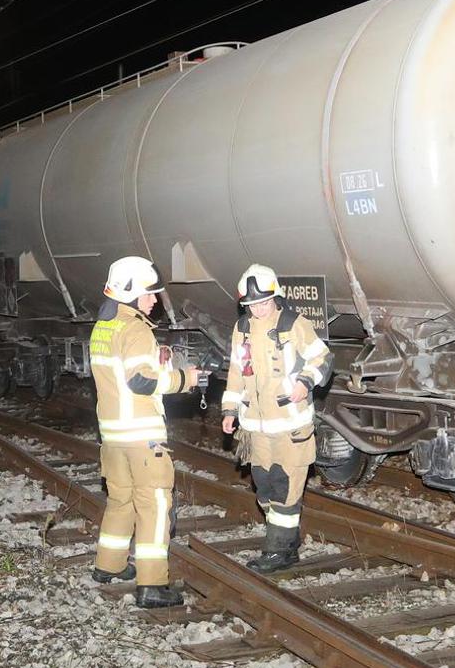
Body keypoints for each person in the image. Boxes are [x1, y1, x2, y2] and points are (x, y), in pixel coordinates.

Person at [89, 256, 199, 609]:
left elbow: (121, 374)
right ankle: (152, 585)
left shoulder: (103, 327)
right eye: (149, 293)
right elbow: (140, 381)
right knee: (154, 506)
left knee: (120, 500)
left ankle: (108, 565)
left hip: (112, 435)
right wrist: (184, 379)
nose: (154, 300)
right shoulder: (136, 330)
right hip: (140, 435)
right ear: (131, 293)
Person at [220, 265, 332, 573]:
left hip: (290, 426)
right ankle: (288, 542)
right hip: (256, 429)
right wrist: (229, 410)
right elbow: (236, 372)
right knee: (265, 488)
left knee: (285, 487)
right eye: (252, 304)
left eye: (264, 302)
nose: (258, 309)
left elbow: (322, 358)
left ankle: (277, 551)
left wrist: (305, 382)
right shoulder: (242, 328)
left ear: (276, 297)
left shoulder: (294, 324)